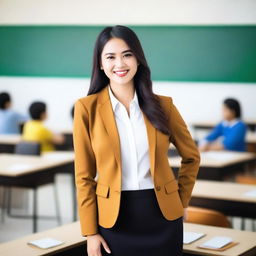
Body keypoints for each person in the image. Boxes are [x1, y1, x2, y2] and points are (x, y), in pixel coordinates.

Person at [73, 25, 200, 256]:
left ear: (138, 59)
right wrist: (90, 233)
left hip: (162, 216)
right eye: (110, 57)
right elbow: (83, 177)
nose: (119, 64)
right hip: (114, 220)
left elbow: (192, 156)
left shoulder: (164, 107)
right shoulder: (86, 109)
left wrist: (180, 200)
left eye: (127, 55)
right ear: (101, 64)